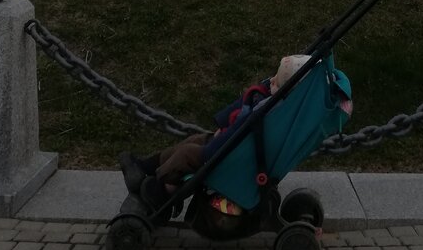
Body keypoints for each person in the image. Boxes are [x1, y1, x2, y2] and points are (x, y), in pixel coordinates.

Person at [119, 55, 310, 202]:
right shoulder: (271, 99)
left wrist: (213, 147)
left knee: (187, 154)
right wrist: (222, 126)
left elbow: (241, 130)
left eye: (277, 81)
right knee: (193, 141)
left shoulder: (268, 109)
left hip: (229, 150)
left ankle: (158, 189)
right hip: (229, 141)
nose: (271, 81)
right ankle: (147, 166)